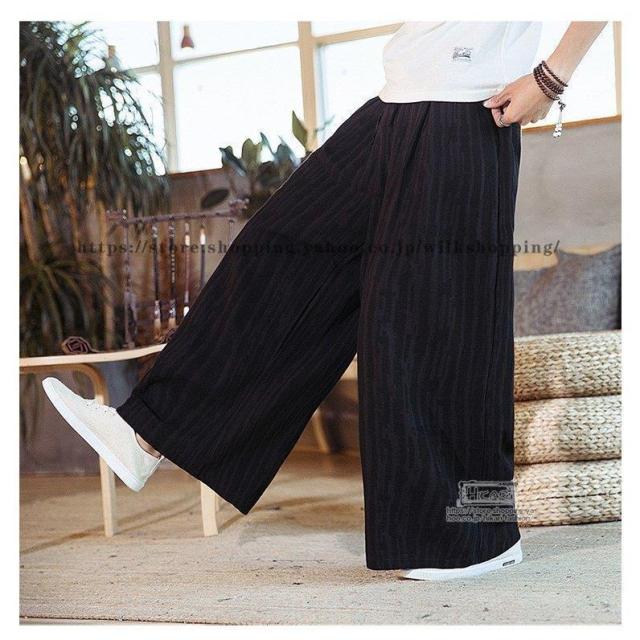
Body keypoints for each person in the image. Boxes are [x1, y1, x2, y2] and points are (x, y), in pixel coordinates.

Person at [43, 21, 607, 581]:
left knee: (433, 332)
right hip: (395, 103)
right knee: (278, 254)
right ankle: (148, 434)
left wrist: (552, 77)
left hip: (468, 110)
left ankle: (478, 534)